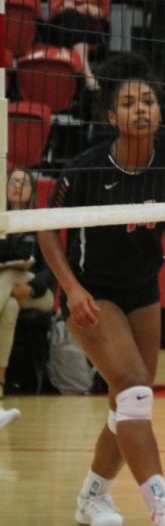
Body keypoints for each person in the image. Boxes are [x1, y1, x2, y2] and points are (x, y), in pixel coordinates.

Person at [37, 53, 165, 526]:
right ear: (111, 116)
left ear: (159, 113)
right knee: (133, 389)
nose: (140, 109)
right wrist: (69, 288)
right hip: (93, 293)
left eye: (148, 101)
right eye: (129, 102)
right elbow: (47, 230)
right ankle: (161, 504)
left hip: (143, 290)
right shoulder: (88, 168)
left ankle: (92, 498)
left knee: (128, 399)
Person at [0, 168, 56, 430]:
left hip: (37, 295)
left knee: (12, 275)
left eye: (24, 183)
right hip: (7, 295)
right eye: (13, 181)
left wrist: (32, 288)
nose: (18, 187)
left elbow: (52, 269)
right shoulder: (1, 221)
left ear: (32, 190)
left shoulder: (38, 222)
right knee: (8, 308)